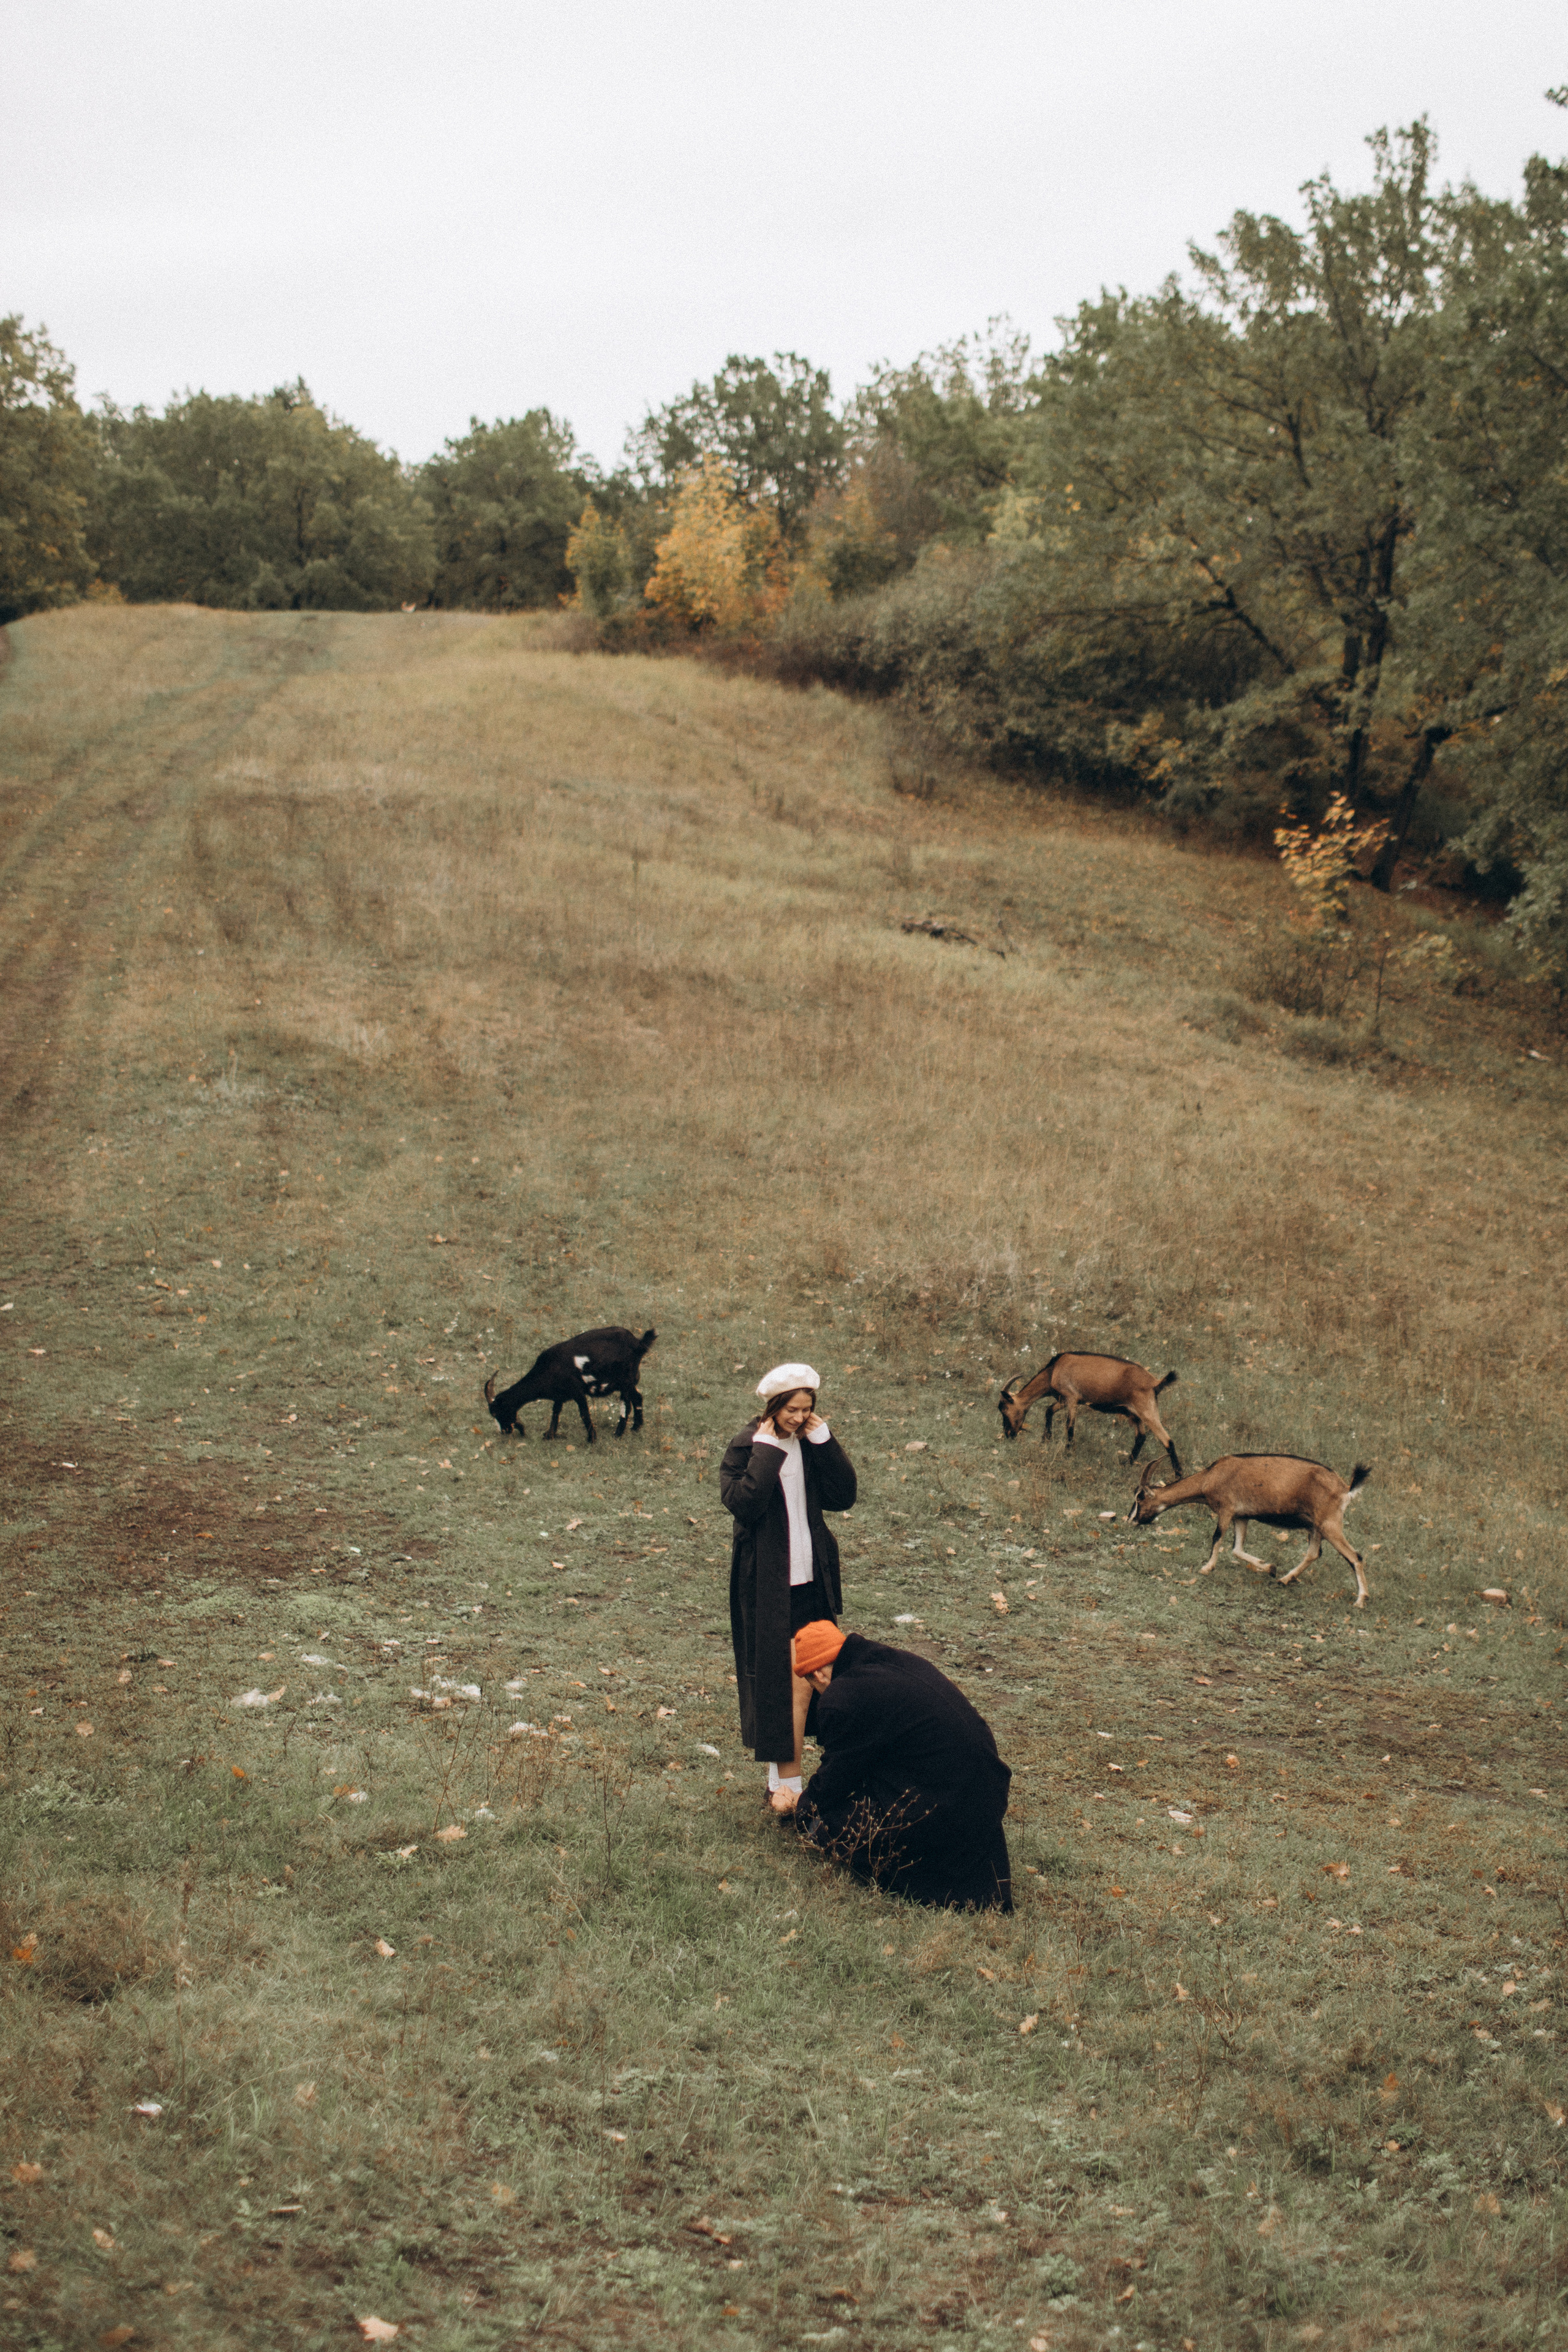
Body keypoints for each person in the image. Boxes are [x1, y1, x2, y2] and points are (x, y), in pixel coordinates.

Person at [771, 1621, 1013, 1912]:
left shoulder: (845, 1696)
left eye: (811, 1684)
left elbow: (836, 1780)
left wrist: (799, 1807)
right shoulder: (888, 1660)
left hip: (947, 1806)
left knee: (837, 1825)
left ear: (819, 1674)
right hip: (984, 1795)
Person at [722, 1362, 858, 1803]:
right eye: (793, 1410)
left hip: (812, 1581)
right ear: (774, 1405)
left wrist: (824, 1441)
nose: (800, 1418)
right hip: (766, 1584)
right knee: (779, 1684)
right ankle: (783, 1788)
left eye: (808, 1410)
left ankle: (804, 1781)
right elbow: (745, 1504)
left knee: (819, 1674)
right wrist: (767, 1451)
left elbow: (844, 1496)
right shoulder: (747, 1445)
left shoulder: (808, 1443)